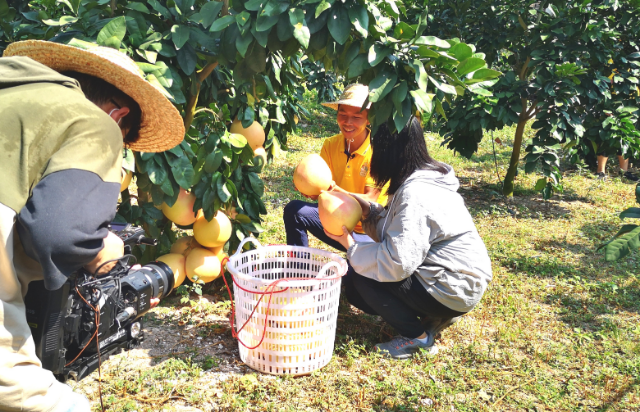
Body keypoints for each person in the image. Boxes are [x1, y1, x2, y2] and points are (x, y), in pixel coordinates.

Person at [0, 40, 184, 411]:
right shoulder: (96, 122)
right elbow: (59, 234)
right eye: (126, 141)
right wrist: (101, 247)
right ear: (118, 115)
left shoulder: (19, 96)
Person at [325, 117, 493, 359]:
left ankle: (417, 338)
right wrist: (368, 212)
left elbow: (396, 262)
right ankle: (435, 313)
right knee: (364, 269)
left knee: (360, 278)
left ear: (389, 152)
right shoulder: (424, 176)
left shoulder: (416, 193)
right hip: (459, 281)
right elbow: (398, 232)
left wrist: (350, 246)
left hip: (453, 287)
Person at [283, 83, 387, 253]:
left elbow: (371, 201)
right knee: (294, 210)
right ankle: (299, 269)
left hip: (370, 234)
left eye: (357, 117)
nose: (348, 122)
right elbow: (323, 188)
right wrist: (314, 190)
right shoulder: (330, 145)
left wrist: (334, 189)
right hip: (339, 224)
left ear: (369, 119)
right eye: (343, 114)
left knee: (353, 279)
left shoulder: (378, 152)